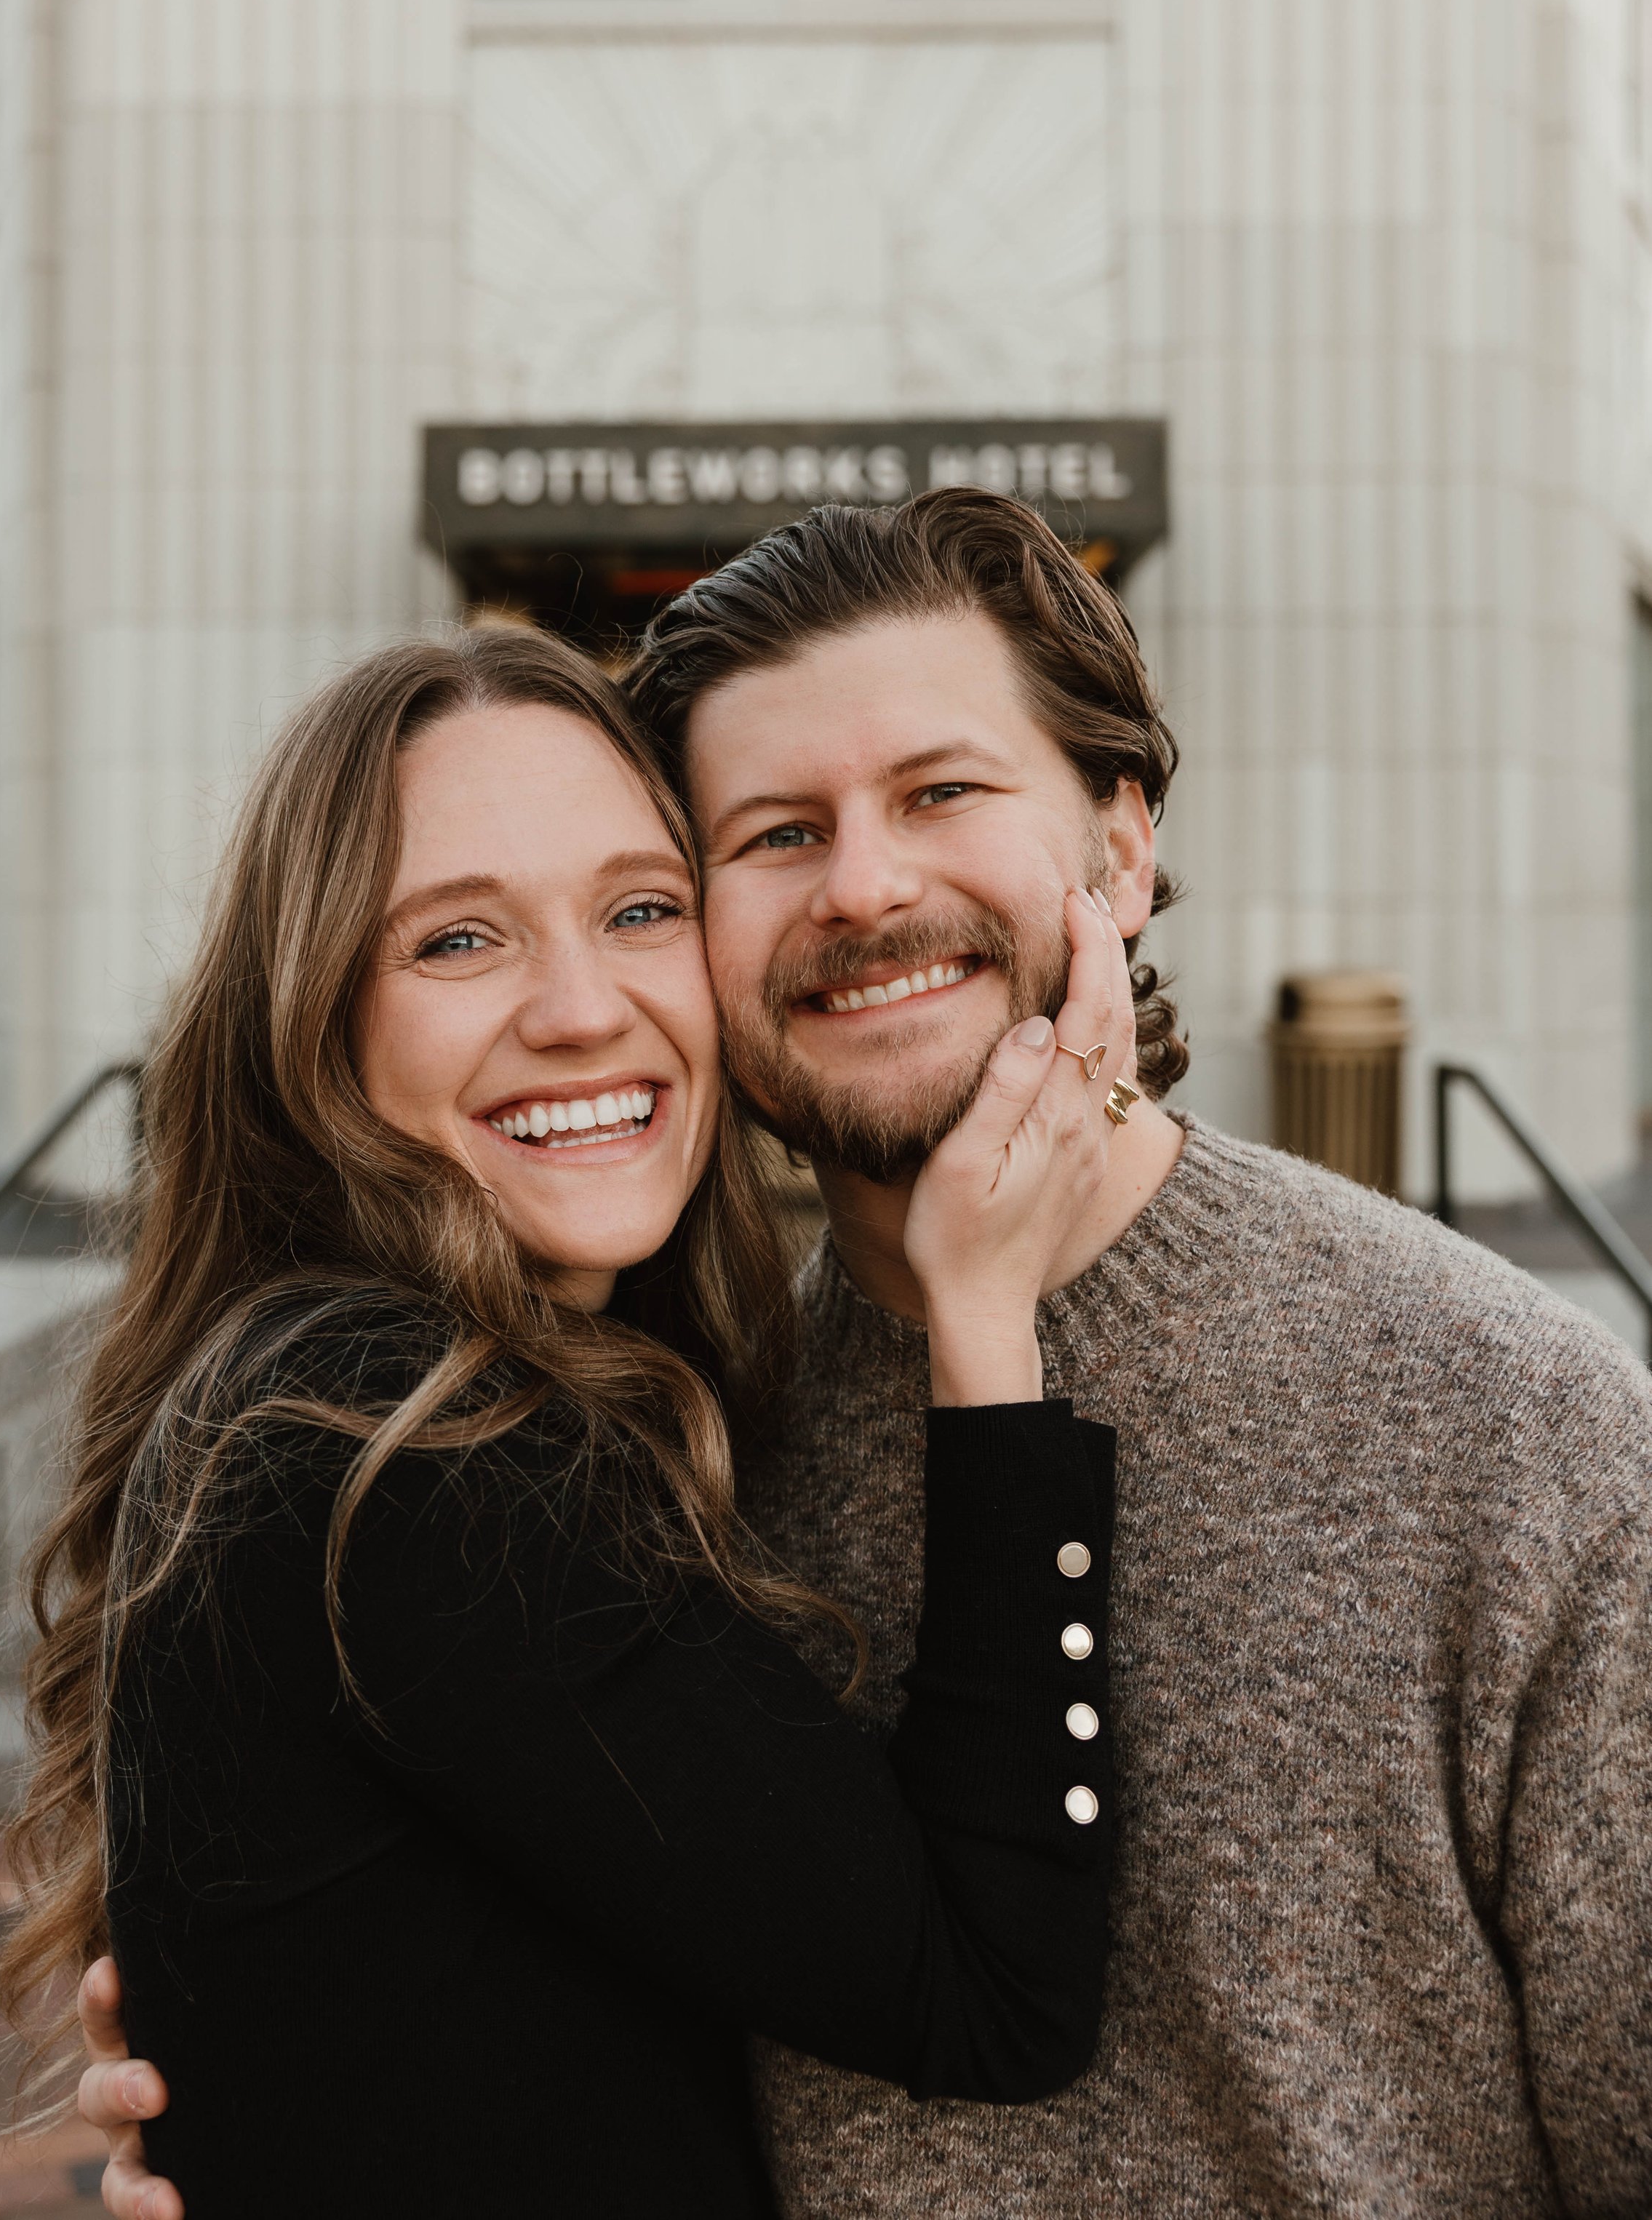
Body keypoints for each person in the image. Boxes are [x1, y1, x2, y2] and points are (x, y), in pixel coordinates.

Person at [82, 490, 1652, 2217]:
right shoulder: (657, 1430)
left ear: (1118, 849)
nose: (866, 885)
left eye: (939, 791)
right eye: (768, 835)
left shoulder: (1522, 1434)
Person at [4, 620, 1138, 2220]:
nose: (583, 1008)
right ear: (316, 1022)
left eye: (639, 910)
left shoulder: (395, 1391)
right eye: (458, 943)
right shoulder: (385, 1447)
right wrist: (981, 1315)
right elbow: (990, 1985)